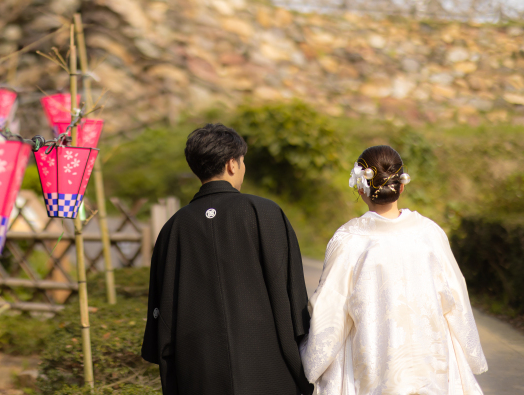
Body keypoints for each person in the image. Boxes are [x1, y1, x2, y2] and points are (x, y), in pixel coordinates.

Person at [141, 123, 314, 395]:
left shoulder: (173, 230)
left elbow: (162, 316)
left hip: (198, 374)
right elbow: (293, 299)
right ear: (232, 164)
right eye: (242, 161)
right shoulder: (266, 214)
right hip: (270, 370)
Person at [301, 145, 487, 394]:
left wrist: (310, 361)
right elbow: (456, 295)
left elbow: (330, 310)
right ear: (401, 186)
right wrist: (471, 352)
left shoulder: (349, 239)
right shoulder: (429, 233)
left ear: (360, 187)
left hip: (374, 363)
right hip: (431, 363)